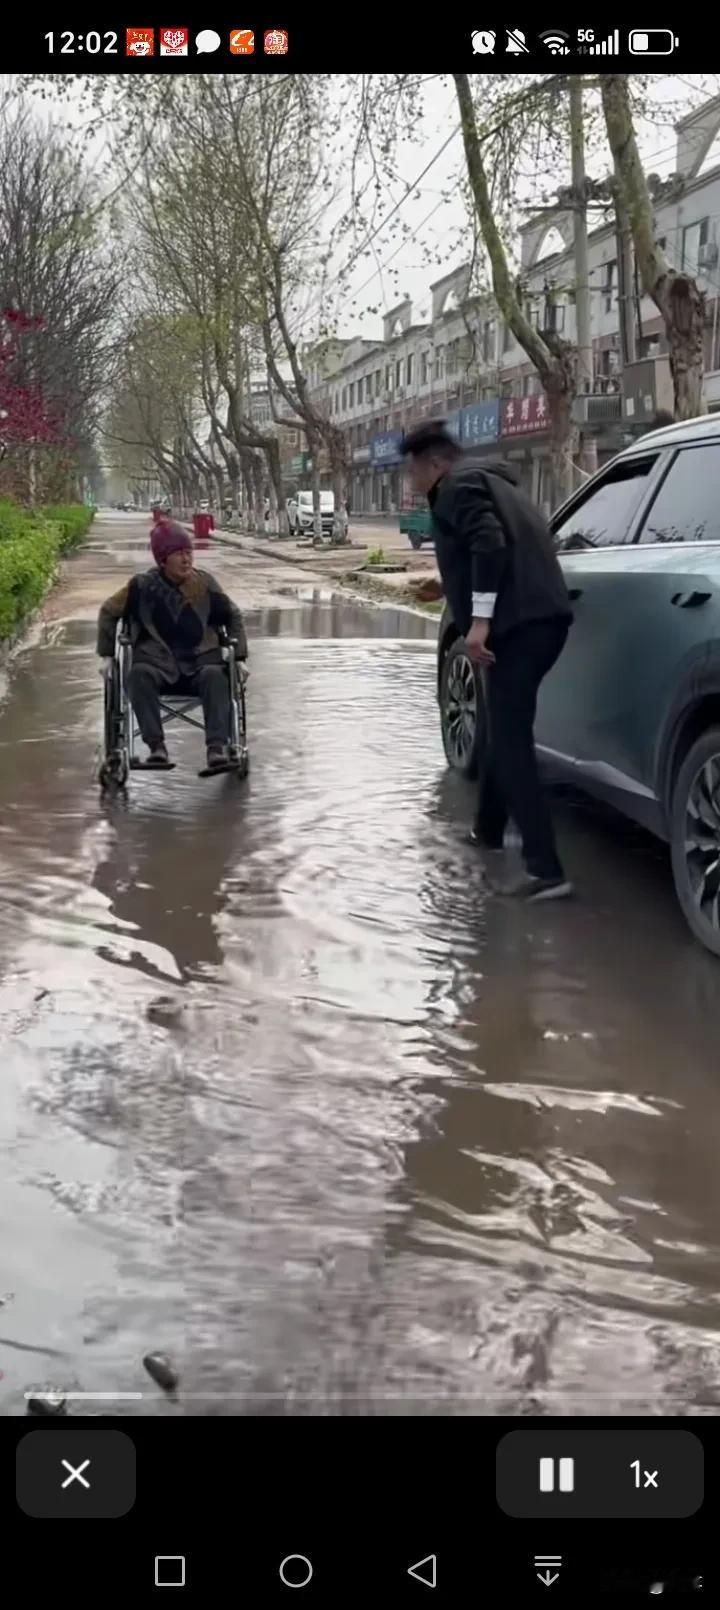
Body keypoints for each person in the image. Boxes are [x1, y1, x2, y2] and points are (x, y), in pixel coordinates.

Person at [401, 421, 573, 902]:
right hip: (544, 619)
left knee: (512, 740)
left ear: (435, 463)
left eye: (413, 469)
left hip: (519, 627)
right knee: (501, 727)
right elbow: (496, 549)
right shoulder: (494, 482)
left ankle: (547, 869)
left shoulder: (457, 486)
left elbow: (490, 543)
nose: (410, 480)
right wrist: (445, 586)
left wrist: (478, 622)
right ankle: (489, 830)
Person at [97, 518, 248, 773]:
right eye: (179, 554)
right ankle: (156, 747)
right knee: (138, 676)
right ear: (163, 559)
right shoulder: (141, 586)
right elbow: (109, 611)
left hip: (200, 664)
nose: (187, 559)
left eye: (189, 553)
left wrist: (240, 657)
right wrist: (107, 655)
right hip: (156, 664)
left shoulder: (205, 584)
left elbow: (233, 615)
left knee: (217, 676)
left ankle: (217, 749)